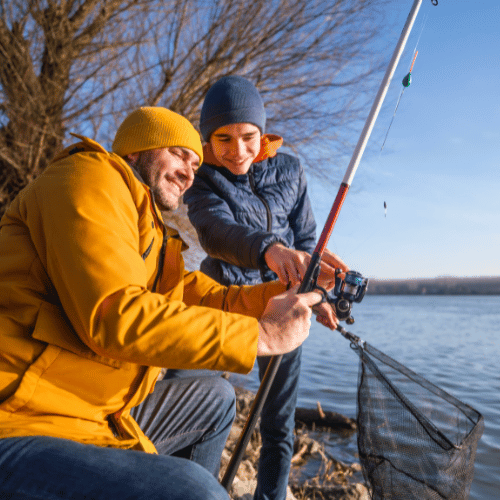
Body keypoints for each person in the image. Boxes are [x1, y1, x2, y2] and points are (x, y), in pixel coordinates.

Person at [0, 107, 338, 500]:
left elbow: (211, 298)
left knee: (216, 397)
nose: (190, 172)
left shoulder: (152, 234)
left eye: (196, 162)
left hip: (96, 417)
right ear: (136, 150)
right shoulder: (89, 177)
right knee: (194, 491)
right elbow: (115, 314)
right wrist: (260, 335)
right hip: (22, 420)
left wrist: (281, 295)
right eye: (178, 154)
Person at [182, 76, 348, 500]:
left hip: (284, 302)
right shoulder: (202, 178)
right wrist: (269, 249)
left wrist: (319, 295)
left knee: (278, 422)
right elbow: (215, 231)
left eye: (248, 137)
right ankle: (187, 487)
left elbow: (308, 240)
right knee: (193, 396)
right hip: (219, 300)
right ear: (208, 138)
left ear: (263, 133)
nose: (237, 150)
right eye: (223, 138)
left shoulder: (290, 170)